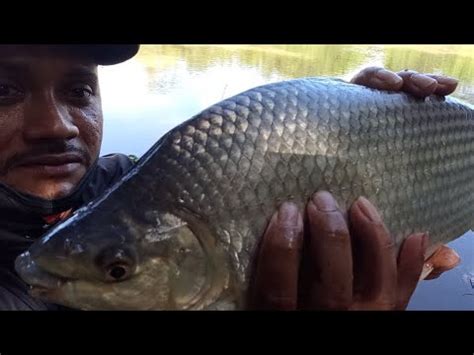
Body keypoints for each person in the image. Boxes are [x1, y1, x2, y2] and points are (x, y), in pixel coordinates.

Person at [0, 44, 460, 310]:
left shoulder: (125, 183)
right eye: (4, 90)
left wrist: (362, 119)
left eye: (80, 89)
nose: (56, 125)